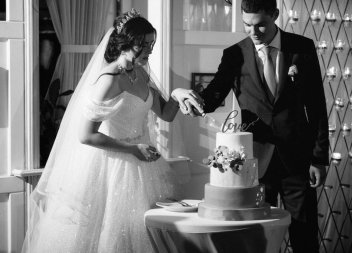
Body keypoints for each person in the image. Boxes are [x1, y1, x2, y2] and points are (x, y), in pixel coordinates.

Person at [172, 0, 329, 252]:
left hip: (297, 160)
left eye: (260, 26)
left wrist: (319, 158)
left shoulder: (303, 48)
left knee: (305, 236)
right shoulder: (235, 54)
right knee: (256, 238)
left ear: (275, 15)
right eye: (247, 25)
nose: (253, 32)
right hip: (253, 163)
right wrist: (186, 97)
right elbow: (212, 97)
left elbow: (317, 106)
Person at [22, 9, 182, 253]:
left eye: (152, 44)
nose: (151, 50)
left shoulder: (140, 73)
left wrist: (178, 95)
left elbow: (167, 114)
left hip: (143, 165)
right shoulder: (108, 80)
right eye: (145, 45)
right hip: (112, 166)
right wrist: (132, 149)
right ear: (127, 44)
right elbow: (85, 135)